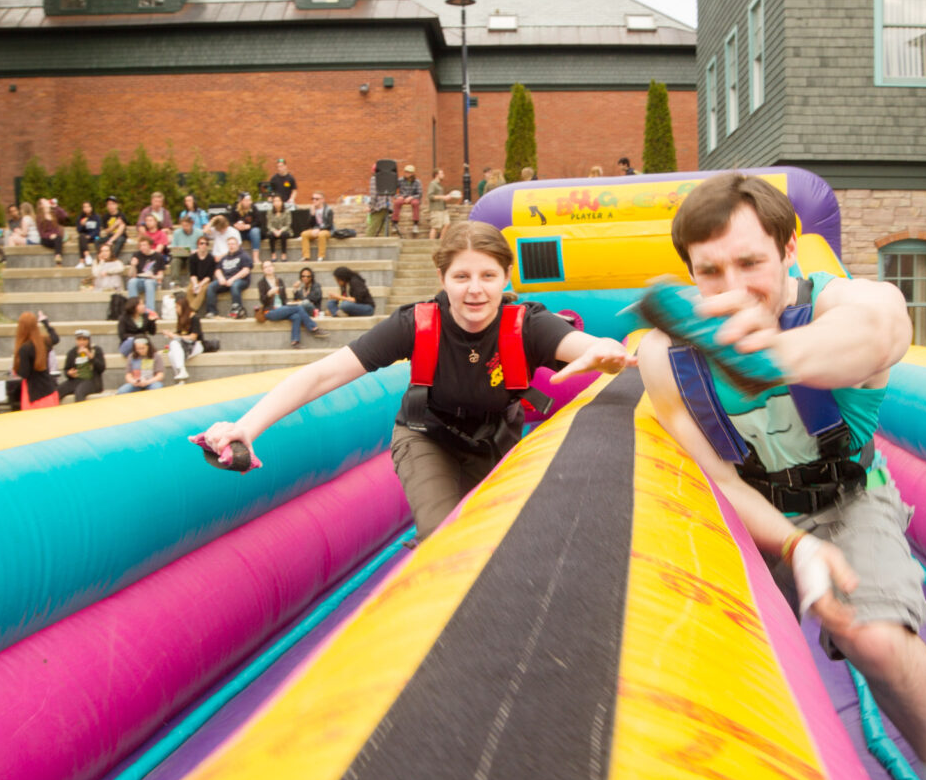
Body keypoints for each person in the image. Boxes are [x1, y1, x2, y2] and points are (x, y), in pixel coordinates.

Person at [634, 173, 926, 780]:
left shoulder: (842, 305)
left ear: (788, 254)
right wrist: (795, 547)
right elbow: (720, 477)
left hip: (848, 494)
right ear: (689, 273)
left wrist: (773, 355)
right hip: (752, 510)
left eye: (750, 263)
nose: (731, 287)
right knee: (722, 662)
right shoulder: (667, 356)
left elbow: (880, 328)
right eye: (709, 271)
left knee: (873, 640)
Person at [196, 220, 635, 540]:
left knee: (497, 536)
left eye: (488, 276)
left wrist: (603, 352)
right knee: (446, 535)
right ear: (442, 279)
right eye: (461, 277)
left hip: (495, 441)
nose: (475, 290)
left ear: (507, 277)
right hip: (427, 438)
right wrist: (246, 427)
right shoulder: (417, 324)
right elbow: (323, 374)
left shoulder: (527, 324)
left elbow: (583, 345)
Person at [256, 260, 326, 347]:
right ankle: (313, 328)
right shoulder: (261, 283)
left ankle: (295, 341)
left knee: (296, 316)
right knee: (298, 308)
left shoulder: (279, 280)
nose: (268, 268)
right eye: (265, 267)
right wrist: (269, 293)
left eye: (270, 266)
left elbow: (284, 298)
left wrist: (289, 304)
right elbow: (263, 301)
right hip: (270, 311)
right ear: (263, 270)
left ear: (273, 267)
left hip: (282, 308)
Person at [12, 310, 60, 410]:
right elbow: (55, 338)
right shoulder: (44, 341)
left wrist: (16, 370)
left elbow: (24, 373)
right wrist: (45, 322)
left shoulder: (25, 348)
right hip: (49, 390)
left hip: (35, 395)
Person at [58, 328, 107, 402]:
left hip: (92, 381)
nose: (81, 342)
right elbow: (66, 369)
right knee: (57, 392)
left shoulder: (96, 350)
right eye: (79, 339)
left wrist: (91, 357)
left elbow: (102, 368)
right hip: (76, 380)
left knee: (79, 392)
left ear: (88, 340)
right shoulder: (72, 352)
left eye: (84, 339)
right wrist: (69, 373)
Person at [165, 292, 204, 382]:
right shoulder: (181, 318)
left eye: (177, 307)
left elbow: (193, 337)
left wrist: (175, 336)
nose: (176, 310)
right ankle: (180, 377)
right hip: (183, 345)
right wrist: (171, 335)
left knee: (174, 343)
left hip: (195, 345)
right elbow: (180, 334)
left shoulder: (194, 318)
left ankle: (182, 371)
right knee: (171, 353)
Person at [212, 238, 253, 318]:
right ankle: (212, 312)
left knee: (235, 285)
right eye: (229, 244)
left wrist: (232, 279)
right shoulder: (224, 258)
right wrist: (221, 278)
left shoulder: (244, 256)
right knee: (211, 287)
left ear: (237, 245)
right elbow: (217, 270)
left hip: (241, 280)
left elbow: (246, 270)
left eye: (233, 244)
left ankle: (238, 310)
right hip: (225, 281)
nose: (231, 246)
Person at [125, 237, 165, 315]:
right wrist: (133, 265)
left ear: (150, 245)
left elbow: (161, 276)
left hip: (152, 281)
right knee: (132, 281)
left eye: (144, 245)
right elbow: (131, 275)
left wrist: (153, 276)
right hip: (139, 280)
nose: (142, 247)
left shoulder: (158, 256)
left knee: (149, 282)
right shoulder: (137, 255)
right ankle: (134, 309)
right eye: (140, 245)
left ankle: (150, 312)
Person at [299, 191, 334, 262]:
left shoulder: (328, 210)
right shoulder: (313, 209)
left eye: (317, 199)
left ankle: (321, 256)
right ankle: (306, 256)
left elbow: (329, 225)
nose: (314, 201)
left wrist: (319, 229)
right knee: (304, 234)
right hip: (316, 230)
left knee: (321, 234)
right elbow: (310, 225)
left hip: (327, 230)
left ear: (322, 200)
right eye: (313, 199)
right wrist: (312, 214)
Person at [187, 234, 217, 315]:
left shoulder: (211, 258)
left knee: (203, 290)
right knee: (190, 290)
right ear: (198, 245)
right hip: (196, 279)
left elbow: (209, 276)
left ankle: (191, 311)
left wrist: (200, 285)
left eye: (206, 243)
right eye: (201, 243)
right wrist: (195, 284)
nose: (204, 245)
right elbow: (192, 274)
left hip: (206, 280)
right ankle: (193, 311)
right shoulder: (193, 257)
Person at [169, 214, 202, 286]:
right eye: (183, 225)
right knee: (175, 261)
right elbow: (173, 246)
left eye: (187, 225)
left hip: (193, 255)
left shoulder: (199, 232)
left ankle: (189, 283)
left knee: (191, 260)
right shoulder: (177, 233)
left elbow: (201, 246)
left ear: (191, 224)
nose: (185, 227)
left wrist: (195, 250)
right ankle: (175, 283)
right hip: (179, 255)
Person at [427, 168, 459, 240]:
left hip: (443, 208)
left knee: (447, 224)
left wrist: (449, 196)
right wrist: (443, 197)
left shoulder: (440, 185)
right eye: (441, 173)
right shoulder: (433, 184)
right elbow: (430, 196)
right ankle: (430, 244)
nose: (443, 175)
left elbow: (442, 197)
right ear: (436, 175)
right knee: (435, 227)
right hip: (436, 209)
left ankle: (441, 241)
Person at [391, 164, 422, 236]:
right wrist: (397, 196)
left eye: (408, 172)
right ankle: (395, 223)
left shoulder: (417, 182)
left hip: (412, 197)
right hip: (403, 197)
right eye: (405, 172)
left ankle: (415, 224)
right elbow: (392, 190)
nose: (406, 174)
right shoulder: (400, 180)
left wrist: (411, 197)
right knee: (397, 202)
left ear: (412, 173)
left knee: (416, 203)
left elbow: (420, 194)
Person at [36, 198, 68, 266]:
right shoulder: (39, 217)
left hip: (56, 238)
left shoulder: (54, 213)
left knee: (58, 238)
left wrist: (56, 207)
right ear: (41, 205)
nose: (47, 201)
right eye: (44, 201)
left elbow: (64, 216)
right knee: (57, 239)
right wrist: (50, 235)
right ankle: (58, 261)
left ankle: (58, 259)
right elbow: (41, 233)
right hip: (46, 238)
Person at [366, 167, 394, 237]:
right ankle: (389, 246)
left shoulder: (374, 179)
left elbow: (373, 194)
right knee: (385, 229)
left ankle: (366, 246)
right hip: (387, 206)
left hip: (378, 206)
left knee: (372, 228)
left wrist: (371, 206)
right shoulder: (386, 179)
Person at [264, 194, 294, 260]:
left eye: (278, 201)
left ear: (282, 202)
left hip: (284, 230)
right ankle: (273, 254)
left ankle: (284, 254)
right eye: (275, 201)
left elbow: (288, 224)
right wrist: (274, 230)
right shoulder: (270, 212)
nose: (276, 203)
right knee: (270, 235)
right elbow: (269, 225)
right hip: (274, 230)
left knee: (284, 235)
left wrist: (280, 231)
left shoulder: (287, 212)